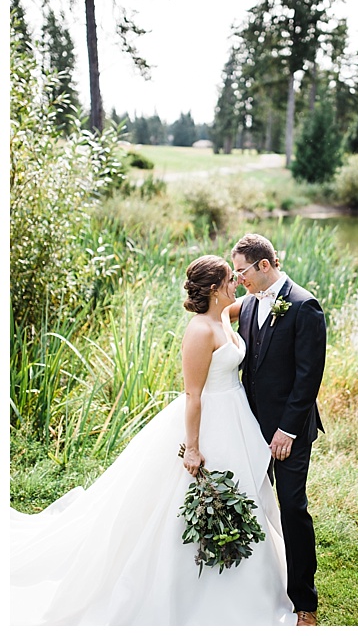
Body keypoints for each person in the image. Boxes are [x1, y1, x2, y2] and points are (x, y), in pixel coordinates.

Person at [10, 256, 295, 625]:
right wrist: (191, 448)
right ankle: (188, 588)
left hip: (236, 419)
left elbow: (260, 299)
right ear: (212, 289)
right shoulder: (199, 331)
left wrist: (277, 291)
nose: (236, 283)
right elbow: (193, 395)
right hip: (208, 422)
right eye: (229, 279)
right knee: (190, 500)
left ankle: (249, 583)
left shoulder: (223, 316)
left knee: (244, 493)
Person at [230, 233, 327, 628]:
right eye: (234, 274)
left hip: (289, 432)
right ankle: (258, 588)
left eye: (242, 272)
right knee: (253, 503)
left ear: (264, 265)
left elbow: (308, 378)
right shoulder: (251, 302)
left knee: (292, 509)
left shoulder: (305, 306)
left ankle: (305, 602)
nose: (239, 280)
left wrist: (286, 430)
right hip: (250, 427)